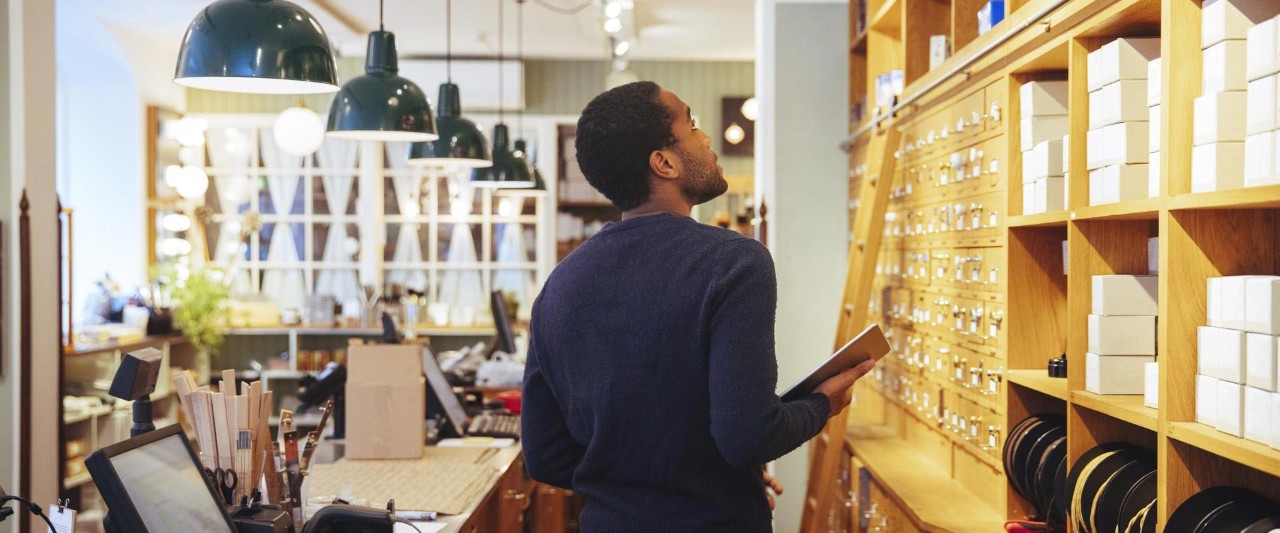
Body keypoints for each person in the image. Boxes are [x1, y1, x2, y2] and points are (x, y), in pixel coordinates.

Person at [521, 81, 875, 532]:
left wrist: (643, 489)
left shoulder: (559, 285)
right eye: (691, 125)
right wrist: (823, 403)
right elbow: (749, 437)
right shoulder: (733, 261)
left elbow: (546, 456)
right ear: (663, 162)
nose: (706, 139)